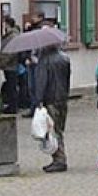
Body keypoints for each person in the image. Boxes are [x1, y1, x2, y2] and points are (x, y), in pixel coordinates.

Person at [32, 43, 71, 173]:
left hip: (50, 98)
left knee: (53, 129)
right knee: (59, 128)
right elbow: (67, 79)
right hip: (62, 97)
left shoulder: (45, 61)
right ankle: (60, 157)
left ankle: (59, 159)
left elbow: (41, 81)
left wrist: (38, 100)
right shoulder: (64, 58)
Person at [0, 17, 22, 114]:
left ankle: (13, 107)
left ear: (8, 24)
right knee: (10, 85)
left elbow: (12, 52)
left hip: (11, 65)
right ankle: (12, 106)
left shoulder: (13, 36)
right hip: (9, 65)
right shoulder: (10, 35)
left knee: (12, 86)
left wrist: (4, 62)